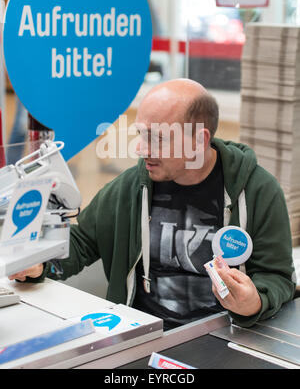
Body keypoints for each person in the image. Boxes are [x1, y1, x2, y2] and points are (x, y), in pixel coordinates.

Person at [9, 79, 296, 331]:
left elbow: (278, 277)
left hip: (226, 339)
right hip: (145, 339)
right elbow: (82, 241)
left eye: (157, 138)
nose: (140, 149)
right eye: (141, 134)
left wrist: (255, 301)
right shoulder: (133, 186)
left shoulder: (258, 191)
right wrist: (40, 262)